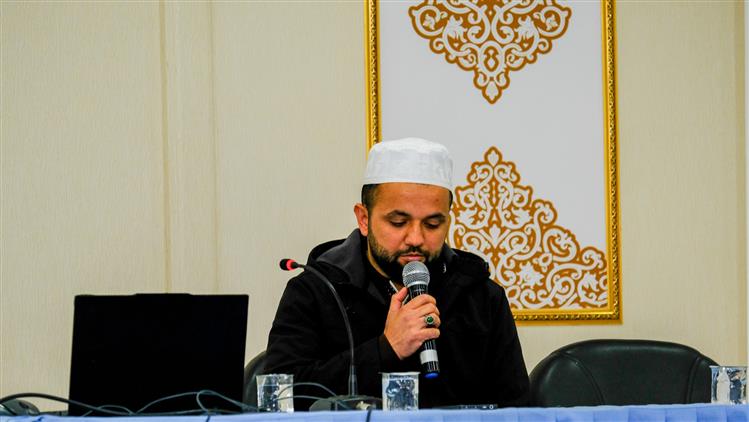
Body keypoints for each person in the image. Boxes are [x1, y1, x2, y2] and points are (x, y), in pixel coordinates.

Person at [265, 138, 529, 409]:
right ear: (364, 219)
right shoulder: (317, 289)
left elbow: (517, 407)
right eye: (398, 222)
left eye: (432, 224)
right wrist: (385, 349)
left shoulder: (482, 296)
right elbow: (279, 396)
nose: (416, 238)